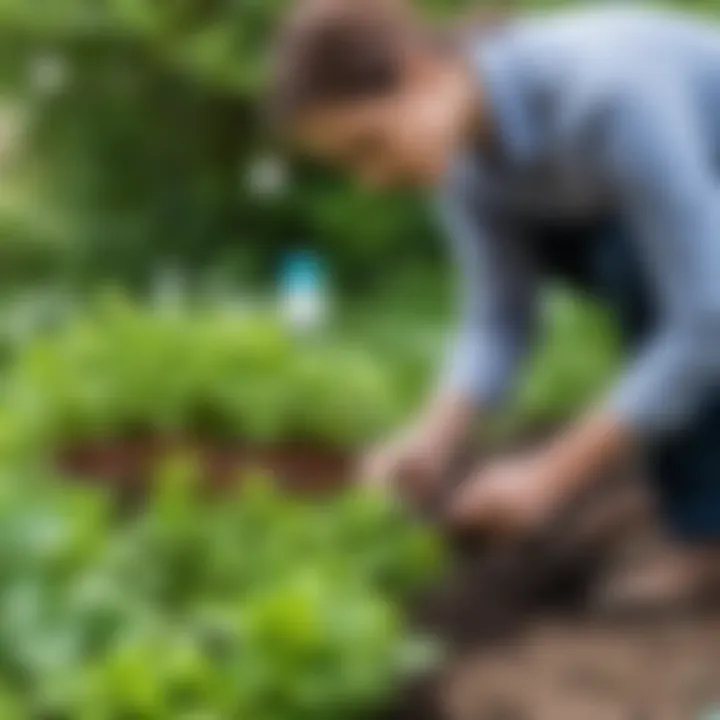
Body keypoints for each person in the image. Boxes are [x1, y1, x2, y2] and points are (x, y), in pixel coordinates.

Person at [271, 0, 720, 610]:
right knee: (630, 261)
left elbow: (704, 319)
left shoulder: (607, 97)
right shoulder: (468, 159)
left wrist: (553, 473)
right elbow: (501, 320)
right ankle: (693, 490)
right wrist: (431, 440)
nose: (372, 182)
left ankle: (707, 539)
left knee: (637, 266)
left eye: (370, 144)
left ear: (420, 72)